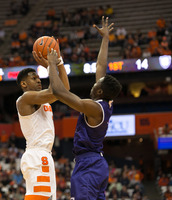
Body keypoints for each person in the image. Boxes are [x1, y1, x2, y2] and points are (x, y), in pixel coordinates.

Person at [47, 16, 122, 199]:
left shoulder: (93, 108)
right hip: (95, 164)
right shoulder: (105, 102)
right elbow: (101, 66)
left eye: (96, 84)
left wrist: (51, 64)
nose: (93, 84)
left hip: (88, 164)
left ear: (99, 92)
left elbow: (59, 92)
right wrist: (105, 38)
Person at [16, 43, 69, 199]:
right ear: (24, 84)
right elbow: (57, 91)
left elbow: (64, 91)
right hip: (37, 154)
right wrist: (51, 65)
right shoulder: (25, 99)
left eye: (39, 77)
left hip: (45, 155)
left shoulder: (43, 100)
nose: (38, 80)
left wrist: (59, 63)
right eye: (34, 78)